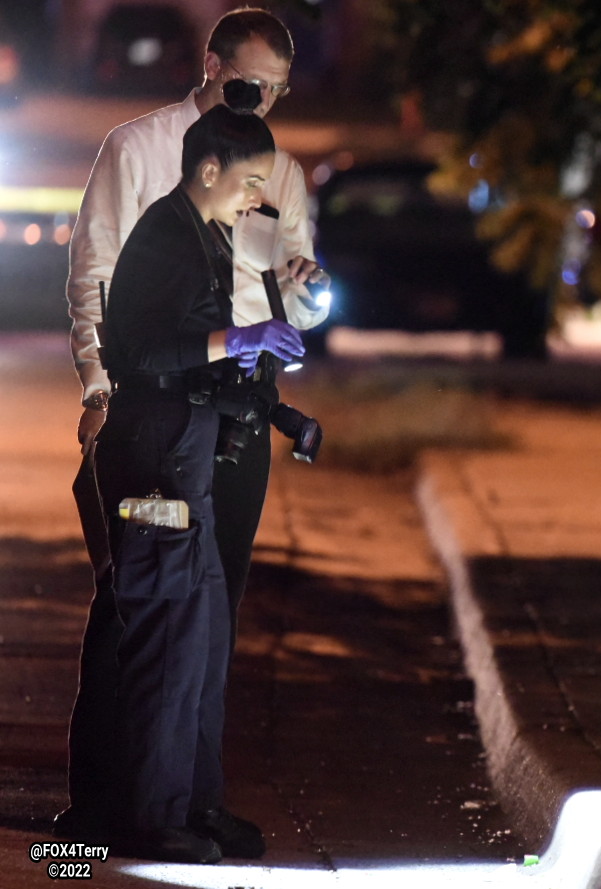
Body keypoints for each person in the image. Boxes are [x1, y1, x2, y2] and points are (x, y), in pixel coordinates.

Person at [58, 7, 327, 846]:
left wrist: (306, 295)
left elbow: (298, 297)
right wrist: (99, 388)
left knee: (212, 605)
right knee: (135, 604)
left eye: (279, 91)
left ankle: (185, 797)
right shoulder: (141, 150)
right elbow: (96, 272)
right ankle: (98, 818)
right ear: (211, 66)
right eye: (252, 83)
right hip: (156, 402)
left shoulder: (276, 169)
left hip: (235, 403)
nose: (266, 103)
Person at [96, 94, 302, 863]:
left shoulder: (204, 236)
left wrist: (251, 362)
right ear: (208, 168)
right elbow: (141, 351)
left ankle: (192, 806)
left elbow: (191, 349)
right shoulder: (167, 241)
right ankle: (152, 823)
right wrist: (235, 337)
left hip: (186, 461)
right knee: (167, 646)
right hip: (155, 463)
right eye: (251, 180)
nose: (258, 197)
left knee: (200, 643)